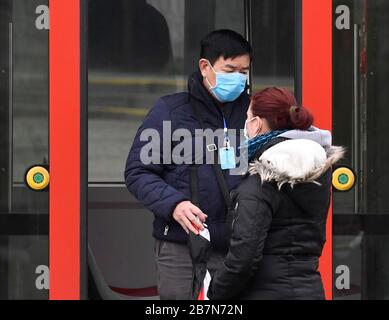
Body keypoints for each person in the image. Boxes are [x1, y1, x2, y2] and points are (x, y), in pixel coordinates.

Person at [124, 29, 252, 299]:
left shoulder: (254, 114)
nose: (238, 79)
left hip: (239, 245)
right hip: (181, 244)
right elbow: (139, 172)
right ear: (205, 67)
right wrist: (175, 205)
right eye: (230, 70)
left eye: (244, 72)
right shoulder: (170, 111)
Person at [207, 87, 345, 300]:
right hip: (310, 290)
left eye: (248, 117)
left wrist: (216, 291)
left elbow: (243, 258)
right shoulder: (318, 174)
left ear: (257, 123)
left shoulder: (259, 183)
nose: (245, 125)